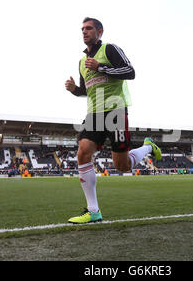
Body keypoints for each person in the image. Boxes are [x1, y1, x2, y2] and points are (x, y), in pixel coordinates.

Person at [64, 17, 162, 224]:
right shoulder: (82, 62)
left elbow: (130, 72)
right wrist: (75, 90)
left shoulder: (110, 50)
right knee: (83, 151)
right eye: (82, 29)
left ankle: (147, 147)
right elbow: (87, 89)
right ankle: (93, 211)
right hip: (94, 113)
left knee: (122, 166)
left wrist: (101, 67)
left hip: (116, 110)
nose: (84, 32)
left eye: (88, 28)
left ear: (99, 32)